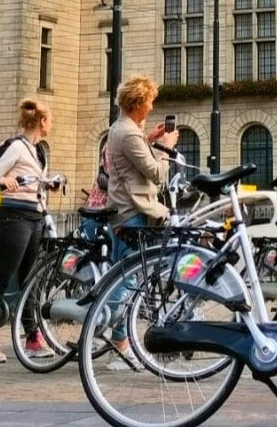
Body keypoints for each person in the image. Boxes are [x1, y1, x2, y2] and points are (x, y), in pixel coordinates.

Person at [0, 98, 59, 364]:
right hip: (14, 217)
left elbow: (33, 180)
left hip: (35, 216)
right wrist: (2, 180)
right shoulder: (16, 146)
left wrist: (48, 184)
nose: (51, 125)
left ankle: (32, 338)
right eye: (50, 120)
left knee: (29, 280)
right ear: (42, 121)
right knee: (2, 278)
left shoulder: (38, 151)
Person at [105, 75, 178, 360]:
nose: (151, 107)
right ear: (137, 103)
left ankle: (114, 336)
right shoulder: (129, 133)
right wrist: (167, 147)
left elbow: (130, 155)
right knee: (128, 280)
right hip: (133, 212)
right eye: (149, 102)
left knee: (123, 276)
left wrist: (152, 139)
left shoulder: (120, 128)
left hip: (121, 211)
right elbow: (156, 173)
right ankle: (115, 340)